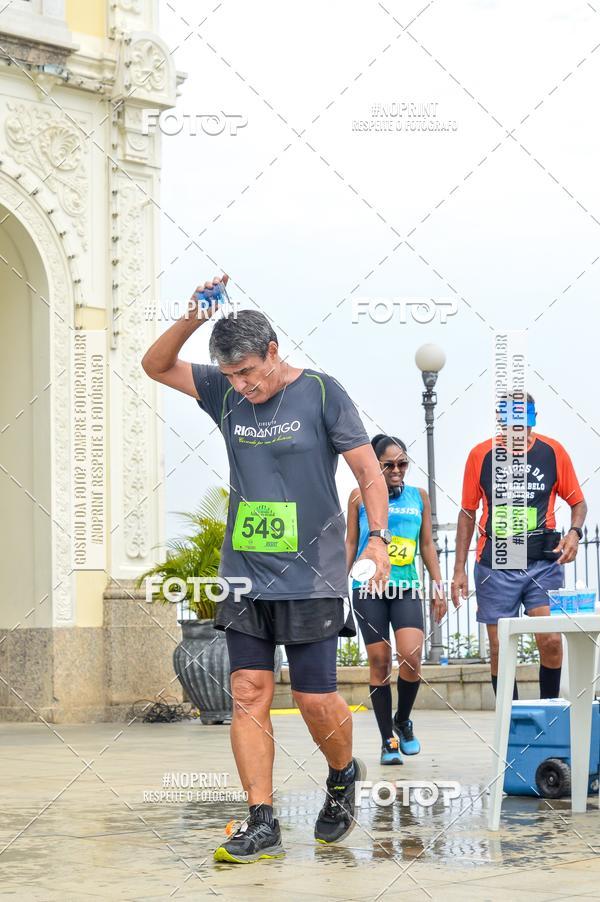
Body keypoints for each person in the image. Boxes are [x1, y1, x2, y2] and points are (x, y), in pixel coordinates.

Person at [141, 275, 391, 863]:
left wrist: (377, 540)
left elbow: (368, 472)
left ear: (273, 353)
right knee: (248, 690)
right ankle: (262, 819)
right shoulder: (223, 393)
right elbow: (155, 364)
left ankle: (341, 774)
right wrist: (194, 315)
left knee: (313, 698)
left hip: (314, 572)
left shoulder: (323, 394)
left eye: (248, 371)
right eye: (230, 375)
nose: (241, 385)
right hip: (245, 572)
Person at [452, 393, 587, 700]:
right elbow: (467, 512)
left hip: (542, 558)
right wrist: (458, 569)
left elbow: (578, 502)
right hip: (498, 559)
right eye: (510, 426)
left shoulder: (552, 452)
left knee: (551, 640)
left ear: (532, 420)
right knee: (500, 647)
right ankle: (510, 724)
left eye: (523, 426)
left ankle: (550, 715)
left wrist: (575, 533)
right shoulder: (481, 455)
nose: (517, 434)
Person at [346, 434, 447, 766]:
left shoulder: (419, 497)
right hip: (368, 589)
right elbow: (350, 544)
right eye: (389, 464)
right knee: (378, 663)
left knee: (411, 657)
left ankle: (402, 720)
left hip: (406, 587)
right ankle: (387, 739)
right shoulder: (358, 498)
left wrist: (438, 585)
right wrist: (337, 586)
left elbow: (428, 544)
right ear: (375, 465)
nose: (397, 470)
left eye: (402, 464)